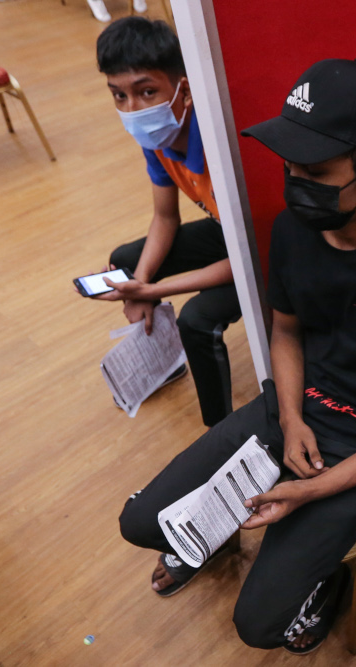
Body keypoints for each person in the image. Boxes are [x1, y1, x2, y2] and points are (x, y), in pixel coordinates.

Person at [117, 58, 356, 654]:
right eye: (289, 166)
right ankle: (220, 526)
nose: (294, 181)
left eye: (314, 170)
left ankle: (324, 579)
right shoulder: (292, 230)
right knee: (140, 525)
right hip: (293, 408)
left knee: (260, 626)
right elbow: (286, 333)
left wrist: (311, 489)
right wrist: (289, 420)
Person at [94, 17, 239, 427]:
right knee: (126, 259)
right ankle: (163, 358)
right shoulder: (157, 140)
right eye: (118, 95)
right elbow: (164, 216)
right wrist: (136, 284)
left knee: (198, 320)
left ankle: (220, 430)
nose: (132, 109)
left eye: (146, 91)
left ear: (184, 89)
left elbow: (247, 258)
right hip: (228, 234)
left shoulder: (218, 146)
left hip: (266, 252)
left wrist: (153, 287)